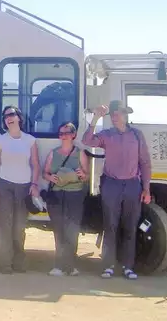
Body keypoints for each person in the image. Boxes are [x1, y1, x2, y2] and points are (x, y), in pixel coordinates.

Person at [82, 100, 152, 280]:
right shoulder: (107, 135)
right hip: (111, 184)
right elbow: (87, 140)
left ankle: (128, 267)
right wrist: (96, 118)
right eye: (112, 114)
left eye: (117, 113)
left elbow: (145, 162)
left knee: (130, 227)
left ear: (125, 114)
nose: (115, 117)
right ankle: (108, 266)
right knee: (110, 226)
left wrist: (146, 188)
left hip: (132, 185)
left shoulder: (137, 135)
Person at [0, 105, 40, 274]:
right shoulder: (0, 141)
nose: (8, 118)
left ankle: (19, 262)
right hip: (4, 186)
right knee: (4, 225)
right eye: (6, 117)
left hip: (24, 187)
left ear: (19, 117)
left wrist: (34, 184)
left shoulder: (30, 140)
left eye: (11, 115)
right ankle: (5, 263)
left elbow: (35, 165)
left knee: (19, 227)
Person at [43, 122, 89, 277]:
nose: (63, 136)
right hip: (56, 195)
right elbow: (45, 173)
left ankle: (70, 266)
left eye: (67, 133)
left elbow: (87, 175)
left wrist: (83, 175)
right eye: (61, 133)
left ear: (74, 135)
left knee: (72, 230)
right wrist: (51, 177)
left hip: (75, 195)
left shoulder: (80, 153)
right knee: (59, 230)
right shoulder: (53, 153)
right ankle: (59, 265)